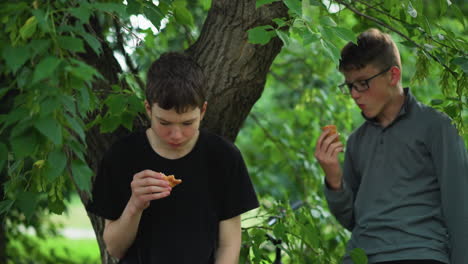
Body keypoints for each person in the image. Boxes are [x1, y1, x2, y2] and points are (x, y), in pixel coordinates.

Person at [86, 52, 259, 263]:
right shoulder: (122, 155)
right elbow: (114, 248)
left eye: (187, 123)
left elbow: (229, 243)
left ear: (203, 111)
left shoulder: (223, 157)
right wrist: (135, 204)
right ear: (148, 109)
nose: (176, 135)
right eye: (164, 123)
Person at [314, 28, 468, 264]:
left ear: (393, 75)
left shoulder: (436, 127)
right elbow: (351, 220)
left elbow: (460, 208)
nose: (355, 94)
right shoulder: (356, 141)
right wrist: (334, 180)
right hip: (360, 257)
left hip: (419, 253)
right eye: (350, 86)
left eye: (362, 83)